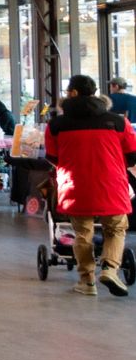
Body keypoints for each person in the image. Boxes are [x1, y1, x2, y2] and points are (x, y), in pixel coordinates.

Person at [45, 75, 136, 297]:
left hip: (75, 185)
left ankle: (87, 281)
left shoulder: (56, 125)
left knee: (82, 232)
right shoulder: (117, 122)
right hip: (112, 184)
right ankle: (109, 269)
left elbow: (52, 158)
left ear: (74, 93)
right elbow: (132, 155)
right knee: (115, 228)